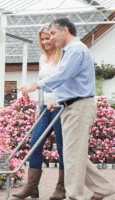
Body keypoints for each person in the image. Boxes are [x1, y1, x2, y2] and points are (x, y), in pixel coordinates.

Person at [19, 18, 115, 200]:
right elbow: (66, 80)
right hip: (71, 107)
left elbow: (63, 75)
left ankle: (74, 196)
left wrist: (35, 86)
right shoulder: (70, 51)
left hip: (78, 107)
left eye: (53, 33)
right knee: (75, 155)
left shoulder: (76, 50)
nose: (51, 38)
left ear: (64, 31)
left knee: (72, 157)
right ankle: (103, 188)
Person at [13, 24, 65, 200]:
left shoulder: (64, 56)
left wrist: (57, 101)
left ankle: (61, 188)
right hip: (45, 108)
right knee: (34, 144)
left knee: (62, 148)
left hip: (60, 107)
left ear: (54, 36)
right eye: (42, 39)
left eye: (48, 38)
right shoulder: (43, 58)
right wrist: (38, 109)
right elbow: (41, 84)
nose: (45, 42)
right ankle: (31, 187)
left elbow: (64, 82)